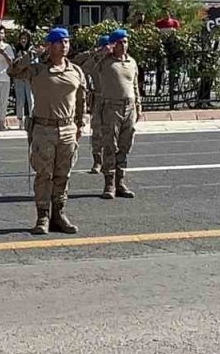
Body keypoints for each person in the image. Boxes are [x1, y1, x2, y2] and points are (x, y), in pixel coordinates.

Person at [9, 28, 86, 235]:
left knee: (63, 174)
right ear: (49, 46)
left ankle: (59, 214)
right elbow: (13, 71)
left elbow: (80, 101)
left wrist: (80, 125)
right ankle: (42, 216)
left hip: (68, 128)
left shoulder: (75, 71)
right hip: (44, 128)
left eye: (67, 42)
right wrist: (31, 53)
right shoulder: (37, 70)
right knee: (44, 175)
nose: (64, 45)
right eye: (59, 42)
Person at [76, 29, 140, 199]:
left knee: (125, 145)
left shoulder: (131, 62)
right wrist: (99, 53)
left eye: (125, 42)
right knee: (110, 145)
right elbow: (83, 68)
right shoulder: (104, 61)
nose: (123, 45)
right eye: (119, 42)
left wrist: (138, 107)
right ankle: (109, 183)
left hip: (129, 107)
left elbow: (135, 86)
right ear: (113, 44)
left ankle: (120, 182)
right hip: (111, 107)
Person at [86, 35, 111, 175]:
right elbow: (82, 67)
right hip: (98, 99)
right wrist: (94, 54)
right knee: (96, 131)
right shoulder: (94, 61)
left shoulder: (115, 61)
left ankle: (110, 161)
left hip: (113, 100)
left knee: (111, 132)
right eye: (105, 47)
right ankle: (97, 161)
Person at [11, 30, 35, 129]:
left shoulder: (32, 49)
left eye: (25, 38)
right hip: (19, 77)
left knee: (31, 99)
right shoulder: (16, 49)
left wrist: (29, 55)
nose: (23, 40)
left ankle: (31, 119)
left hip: (29, 77)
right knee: (20, 99)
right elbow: (13, 63)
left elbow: (34, 62)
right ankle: (20, 121)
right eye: (22, 39)